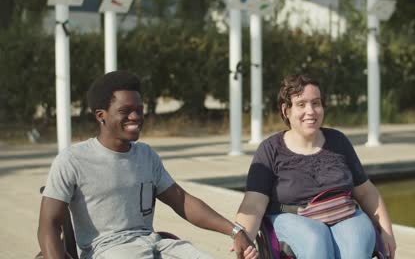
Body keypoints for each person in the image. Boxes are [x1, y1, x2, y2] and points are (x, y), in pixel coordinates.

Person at [38, 71, 257, 259]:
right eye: (125, 111)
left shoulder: (146, 155)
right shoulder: (72, 160)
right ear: (101, 116)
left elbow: (182, 201)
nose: (135, 117)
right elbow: (48, 224)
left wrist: (235, 230)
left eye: (139, 110)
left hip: (154, 243)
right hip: (108, 250)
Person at [235, 74, 396, 259]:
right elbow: (254, 204)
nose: (310, 111)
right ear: (286, 110)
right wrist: (242, 236)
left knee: (356, 243)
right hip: (294, 219)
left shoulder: (338, 141)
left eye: (316, 103)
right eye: (301, 104)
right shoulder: (270, 150)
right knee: (316, 239)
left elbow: (367, 193)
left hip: (344, 214)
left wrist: (387, 233)